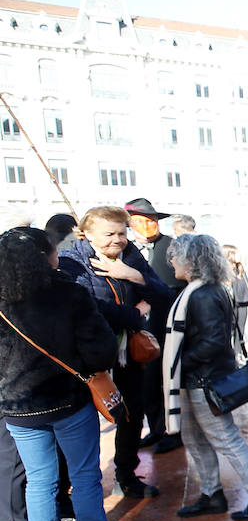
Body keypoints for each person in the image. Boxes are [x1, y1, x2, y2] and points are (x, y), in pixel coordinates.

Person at [0, 227, 133, 521]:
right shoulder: (68, 293)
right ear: (45, 257)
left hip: (18, 407)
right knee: (85, 474)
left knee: (39, 479)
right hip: (68, 401)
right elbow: (101, 349)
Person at [164, 235, 248, 521]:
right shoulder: (203, 290)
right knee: (195, 438)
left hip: (203, 380)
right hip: (198, 380)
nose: (171, 262)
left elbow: (214, 342)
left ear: (191, 260)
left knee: (225, 439)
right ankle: (211, 493)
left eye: (175, 256)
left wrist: (179, 363)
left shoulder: (202, 294)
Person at [59, 206, 172, 498]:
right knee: (83, 423)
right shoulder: (72, 261)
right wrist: (134, 314)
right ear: (86, 234)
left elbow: (163, 296)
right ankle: (78, 488)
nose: (117, 240)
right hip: (90, 357)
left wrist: (132, 275)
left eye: (122, 232)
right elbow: (87, 306)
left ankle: (127, 474)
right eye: (109, 234)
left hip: (128, 354)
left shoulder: (131, 255)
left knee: (131, 414)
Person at [125, 197, 184, 454]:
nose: (149, 226)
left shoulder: (173, 247)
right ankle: (157, 429)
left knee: (167, 382)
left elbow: (182, 285)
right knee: (146, 384)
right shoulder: (125, 250)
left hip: (167, 326)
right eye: (141, 221)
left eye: (152, 220)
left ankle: (174, 431)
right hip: (135, 328)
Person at [221, 244, 248, 342]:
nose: (239, 256)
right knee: (231, 329)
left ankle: (239, 352)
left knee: (241, 329)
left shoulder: (240, 269)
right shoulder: (224, 271)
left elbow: (245, 285)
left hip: (243, 302)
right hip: (232, 304)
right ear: (229, 254)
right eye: (236, 253)